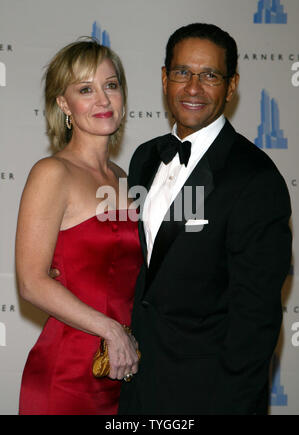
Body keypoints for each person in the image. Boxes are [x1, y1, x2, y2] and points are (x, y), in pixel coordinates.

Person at [118, 23, 292, 415]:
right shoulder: (145, 158)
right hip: (137, 387)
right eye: (182, 72)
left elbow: (255, 322)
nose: (193, 87)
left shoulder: (255, 179)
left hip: (208, 396)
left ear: (231, 87)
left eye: (210, 75)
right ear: (165, 79)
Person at [16, 39, 143, 415]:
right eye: (86, 90)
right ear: (63, 104)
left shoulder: (125, 178)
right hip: (67, 372)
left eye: (111, 85)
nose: (103, 100)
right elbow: (31, 282)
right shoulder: (52, 173)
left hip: (123, 370)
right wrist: (110, 328)